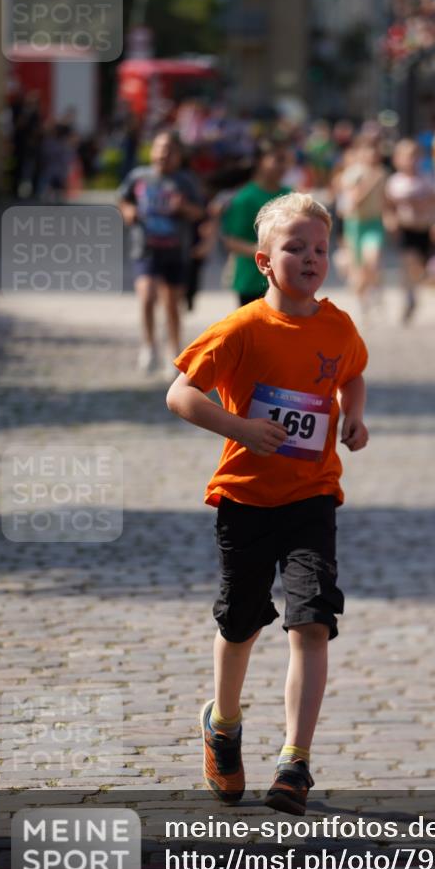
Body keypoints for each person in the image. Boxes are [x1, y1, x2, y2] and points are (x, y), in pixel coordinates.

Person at [166, 193, 368, 814]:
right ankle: (223, 725)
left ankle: (294, 762)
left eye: (320, 249)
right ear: (263, 260)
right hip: (246, 498)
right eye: (295, 248)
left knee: (311, 621)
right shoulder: (242, 328)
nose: (310, 259)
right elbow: (180, 394)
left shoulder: (337, 325)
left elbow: (353, 372)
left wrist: (354, 416)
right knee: (242, 622)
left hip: (312, 496)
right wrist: (241, 429)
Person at [118, 130, 205, 376]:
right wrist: (127, 212)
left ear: (178, 155)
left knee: (171, 305)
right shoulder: (139, 176)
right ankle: (148, 346)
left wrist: (184, 207)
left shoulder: (185, 181)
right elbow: (123, 199)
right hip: (145, 249)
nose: (163, 154)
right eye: (159, 147)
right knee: (146, 297)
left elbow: (200, 212)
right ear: (151, 151)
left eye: (169, 149)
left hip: (176, 251)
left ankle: (174, 352)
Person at [221, 139, 291, 306]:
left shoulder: (291, 196)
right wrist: (263, 253)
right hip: (251, 282)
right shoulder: (244, 198)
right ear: (260, 162)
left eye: (285, 160)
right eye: (278, 159)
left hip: (285, 281)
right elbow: (231, 241)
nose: (283, 166)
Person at [384, 139, 435, 322]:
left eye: (414, 156)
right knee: (408, 263)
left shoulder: (426, 179)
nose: (411, 161)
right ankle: (408, 296)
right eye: (407, 157)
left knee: (420, 269)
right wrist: (390, 221)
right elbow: (388, 206)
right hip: (406, 228)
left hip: (423, 228)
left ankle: (413, 292)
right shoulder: (395, 182)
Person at [338, 138, 388, 308]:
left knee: (372, 260)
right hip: (356, 224)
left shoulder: (382, 173)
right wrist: (371, 183)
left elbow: (384, 199)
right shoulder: (354, 174)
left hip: (374, 223)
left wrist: (390, 216)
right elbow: (354, 202)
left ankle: (373, 289)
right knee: (358, 270)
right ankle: (363, 301)